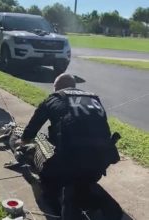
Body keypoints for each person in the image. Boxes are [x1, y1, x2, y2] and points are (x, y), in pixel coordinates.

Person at [19, 73, 122, 219]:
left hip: (67, 166)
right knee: (81, 178)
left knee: (39, 151)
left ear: (56, 87)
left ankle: (65, 194)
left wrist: (23, 143)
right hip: (98, 165)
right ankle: (86, 190)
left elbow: (29, 133)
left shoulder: (54, 98)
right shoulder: (94, 99)